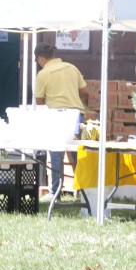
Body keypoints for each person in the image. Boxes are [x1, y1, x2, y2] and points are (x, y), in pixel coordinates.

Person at [33, 42, 88, 200]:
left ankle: (55, 192)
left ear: (41, 58)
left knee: (56, 155)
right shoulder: (72, 68)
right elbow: (84, 92)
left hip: (56, 116)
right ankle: (85, 191)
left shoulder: (43, 74)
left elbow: (39, 101)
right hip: (76, 115)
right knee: (78, 154)